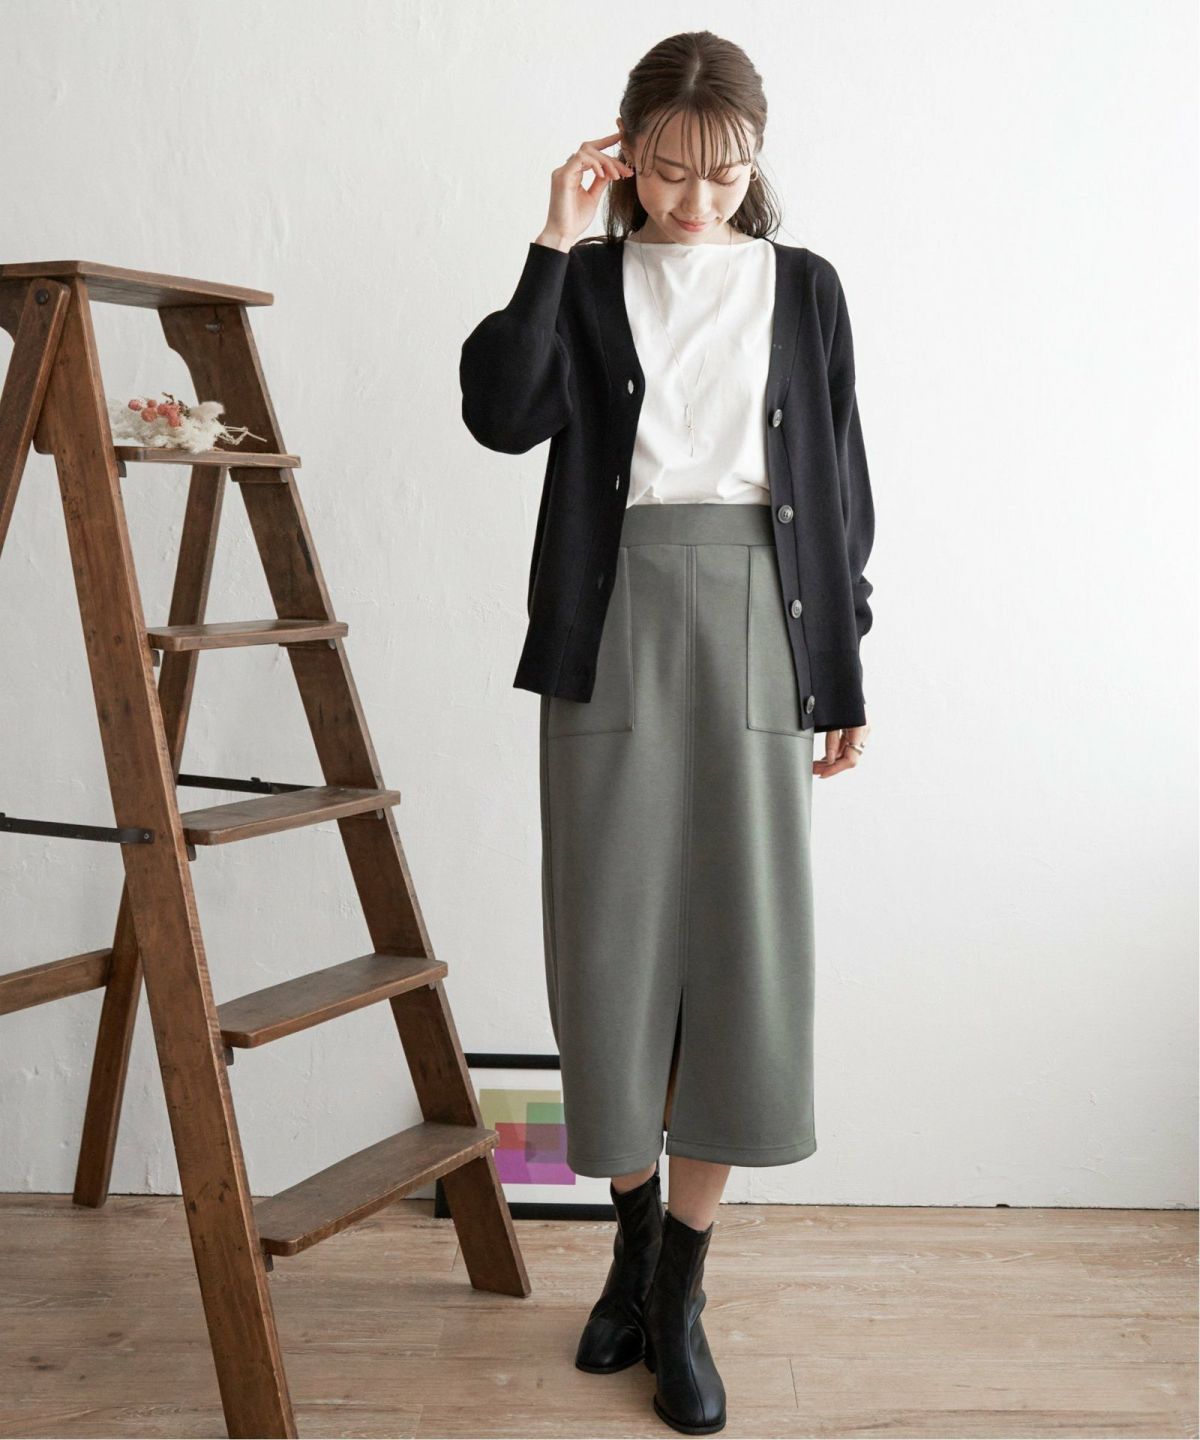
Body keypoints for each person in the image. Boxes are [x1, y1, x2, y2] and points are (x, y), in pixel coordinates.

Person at [459, 29, 875, 1436]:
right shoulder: (585, 282)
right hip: (614, 618)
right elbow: (500, 413)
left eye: (725, 173)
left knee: (744, 952)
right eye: (669, 171)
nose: (697, 201)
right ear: (625, 154)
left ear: (757, 163)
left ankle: (681, 1292)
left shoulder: (804, 289)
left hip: (762, 614)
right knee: (611, 946)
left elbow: (841, 486)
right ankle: (631, 1249)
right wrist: (553, 238)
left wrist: (842, 670)